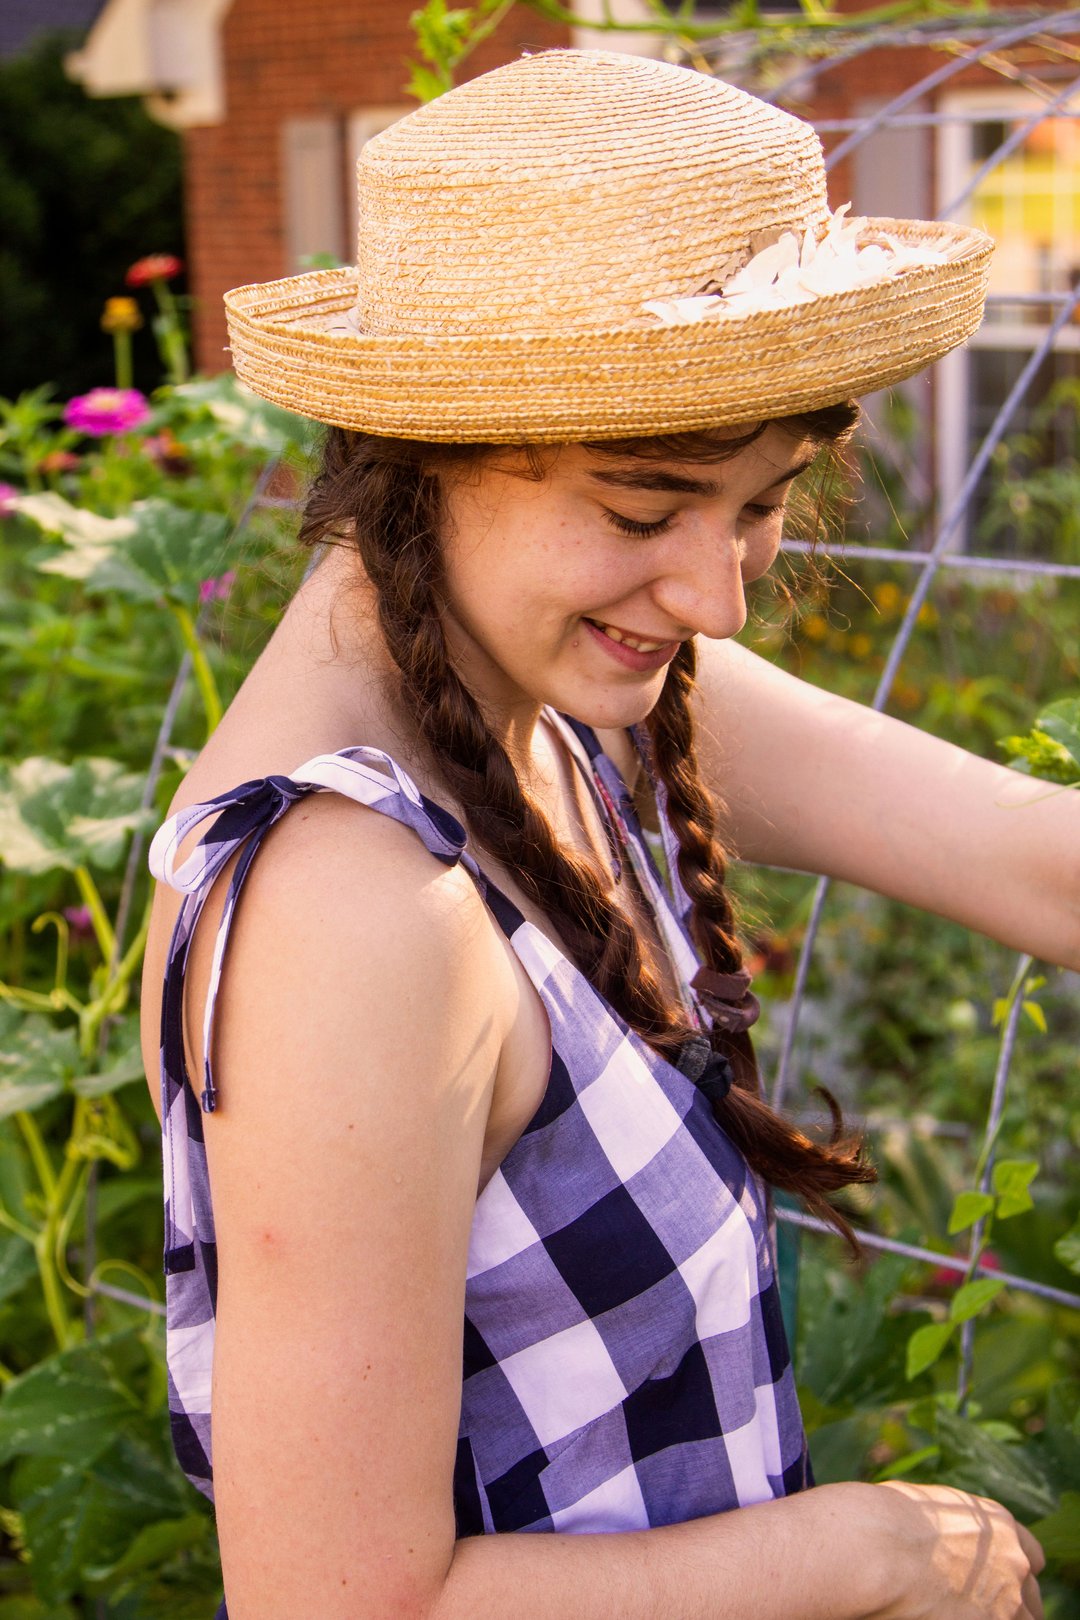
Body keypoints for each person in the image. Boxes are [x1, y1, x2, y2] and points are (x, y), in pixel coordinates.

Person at [139, 48, 1066, 1620]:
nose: (717, 595)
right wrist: (862, 1555)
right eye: (642, 514)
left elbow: (1032, 852)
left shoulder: (559, 681)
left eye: (763, 500)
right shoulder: (355, 909)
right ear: (421, 455)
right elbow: (336, 1605)